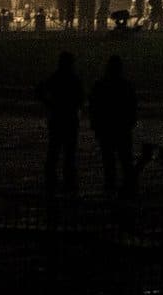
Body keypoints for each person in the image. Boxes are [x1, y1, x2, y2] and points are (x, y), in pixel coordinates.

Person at [87, 54, 138, 197]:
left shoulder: (100, 85)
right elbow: (132, 105)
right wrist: (130, 122)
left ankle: (110, 187)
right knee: (126, 160)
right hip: (122, 128)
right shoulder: (126, 85)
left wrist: (96, 125)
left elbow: (94, 107)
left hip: (106, 129)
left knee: (108, 161)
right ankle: (129, 188)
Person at [36, 51, 83, 193]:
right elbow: (81, 98)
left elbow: (40, 90)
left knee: (54, 151)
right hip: (70, 118)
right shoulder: (74, 79)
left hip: (56, 118)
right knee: (69, 153)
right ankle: (69, 183)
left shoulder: (55, 78)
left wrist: (49, 104)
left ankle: (51, 181)